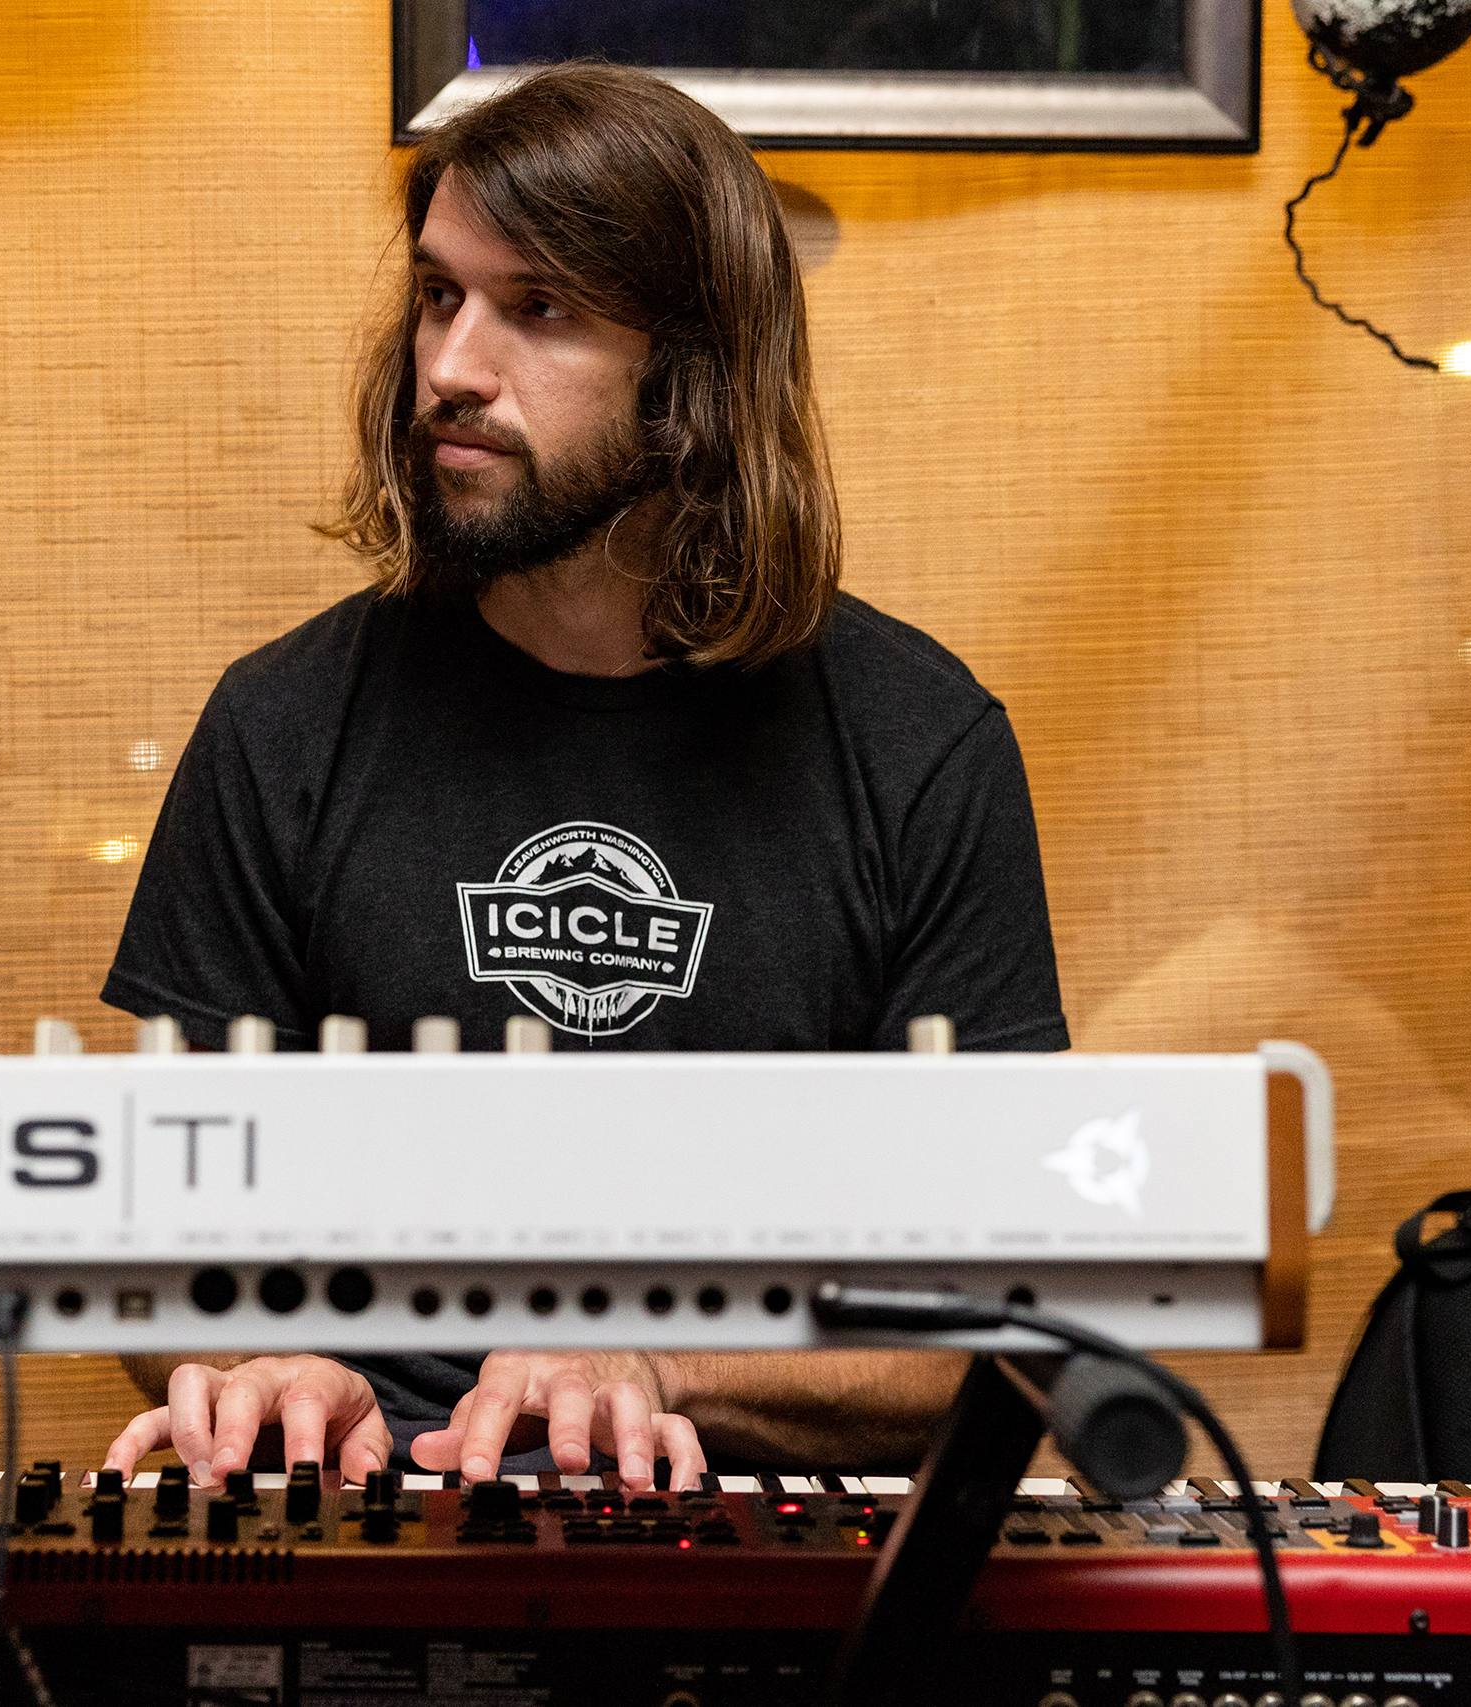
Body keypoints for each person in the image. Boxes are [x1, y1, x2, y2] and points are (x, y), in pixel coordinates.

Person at [99, 65, 1067, 1494]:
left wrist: (658, 1369)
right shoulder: (282, 725)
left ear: (694, 377)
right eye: (440, 297)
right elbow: (156, 1247)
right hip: (381, 1520)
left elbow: (1010, 1337)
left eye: (537, 308)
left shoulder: (921, 747)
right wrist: (265, 1371)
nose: (451, 370)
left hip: (767, 1561)